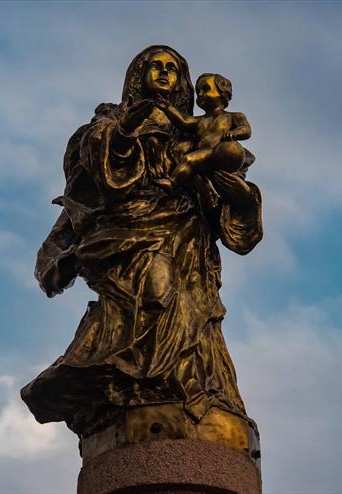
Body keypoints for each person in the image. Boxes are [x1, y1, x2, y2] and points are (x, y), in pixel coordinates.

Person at [20, 46, 263, 437]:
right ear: (138, 75)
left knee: (193, 313)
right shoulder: (112, 119)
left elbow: (230, 193)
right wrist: (127, 129)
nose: (166, 74)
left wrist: (224, 175)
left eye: (173, 69)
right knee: (156, 294)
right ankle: (134, 383)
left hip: (187, 232)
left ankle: (186, 389)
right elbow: (91, 165)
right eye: (157, 66)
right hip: (131, 230)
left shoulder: (193, 130)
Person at [155, 72, 252, 192]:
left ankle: (172, 182)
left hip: (219, 153)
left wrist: (234, 134)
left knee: (189, 159)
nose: (200, 94)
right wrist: (168, 108)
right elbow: (183, 122)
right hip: (204, 157)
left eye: (205, 89)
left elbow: (246, 130)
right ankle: (207, 191)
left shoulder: (234, 116)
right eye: (198, 92)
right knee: (190, 165)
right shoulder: (200, 120)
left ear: (222, 93)